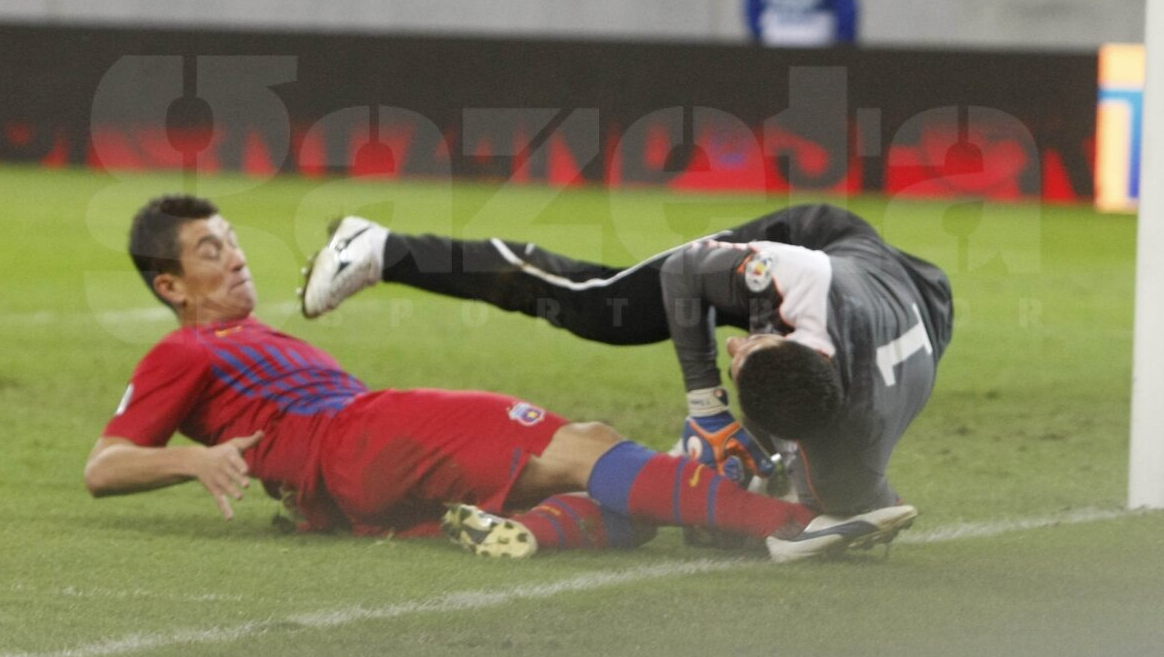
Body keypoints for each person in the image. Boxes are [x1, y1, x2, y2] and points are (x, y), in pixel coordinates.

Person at [85, 195, 916, 563]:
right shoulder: (186, 350)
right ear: (170, 288)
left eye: (230, 240)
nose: (234, 257)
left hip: (351, 473)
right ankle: (789, 524)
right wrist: (193, 461)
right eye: (208, 251)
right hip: (360, 432)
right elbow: (105, 464)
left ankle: (542, 532)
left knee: (612, 487)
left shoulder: (248, 341)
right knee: (588, 444)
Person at [301, 202, 952, 520]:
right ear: (789, 339)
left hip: (911, 306)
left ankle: (751, 453)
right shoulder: (799, 277)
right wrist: (707, 407)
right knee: (600, 308)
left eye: (738, 353)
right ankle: (382, 247)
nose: (733, 344)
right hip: (839, 252)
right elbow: (684, 276)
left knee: (763, 491)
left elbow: (869, 513)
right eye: (750, 346)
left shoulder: (849, 448)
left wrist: (793, 487)